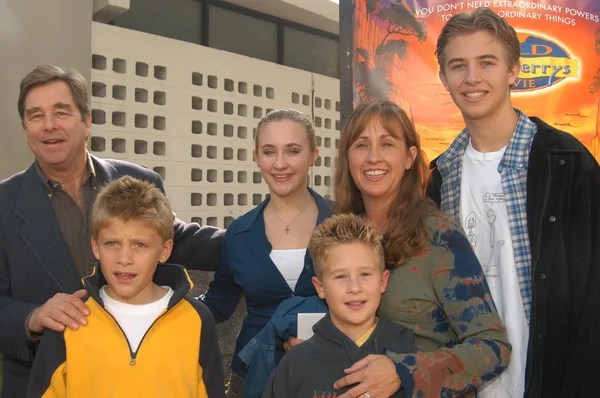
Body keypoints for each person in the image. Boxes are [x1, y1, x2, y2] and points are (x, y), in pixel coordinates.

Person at [0, 65, 224, 397]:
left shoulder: (139, 181)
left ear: (86, 121)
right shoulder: (4, 202)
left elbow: (178, 239)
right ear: (25, 129)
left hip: (144, 376)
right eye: (36, 116)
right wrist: (32, 317)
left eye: (61, 112)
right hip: (44, 381)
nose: (49, 125)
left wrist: (262, 235)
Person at [427, 8, 600, 398]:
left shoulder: (568, 164)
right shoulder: (438, 177)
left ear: (513, 71)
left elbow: (592, 299)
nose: (472, 78)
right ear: (444, 78)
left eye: (486, 63)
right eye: (459, 66)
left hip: (552, 381)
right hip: (466, 386)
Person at [328, 100, 510, 398]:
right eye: (361, 145)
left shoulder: (439, 238)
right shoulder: (341, 235)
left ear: (410, 157)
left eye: (387, 144)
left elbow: (492, 347)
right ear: (347, 157)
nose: (374, 157)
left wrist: (404, 372)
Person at [26, 176, 224, 398]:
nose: (124, 258)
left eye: (140, 245)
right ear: (96, 247)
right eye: (112, 243)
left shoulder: (195, 319)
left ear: (165, 250)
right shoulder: (70, 319)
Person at [201, 109, 333, 397]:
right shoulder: (239, 232)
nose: (280, 164)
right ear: (256, 157)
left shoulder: (342, 223)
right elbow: (217, 305)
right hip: (252, 378)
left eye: (293, 151)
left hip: (329, 375)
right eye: (269, 151)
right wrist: (153, 304)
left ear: (313, 155)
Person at [262, 213, 417, 398]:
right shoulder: (295, 364)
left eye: (365, 274)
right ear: (320, 288)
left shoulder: (410, 354)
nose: (354, 288)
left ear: (383, 282)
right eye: (341, 276)